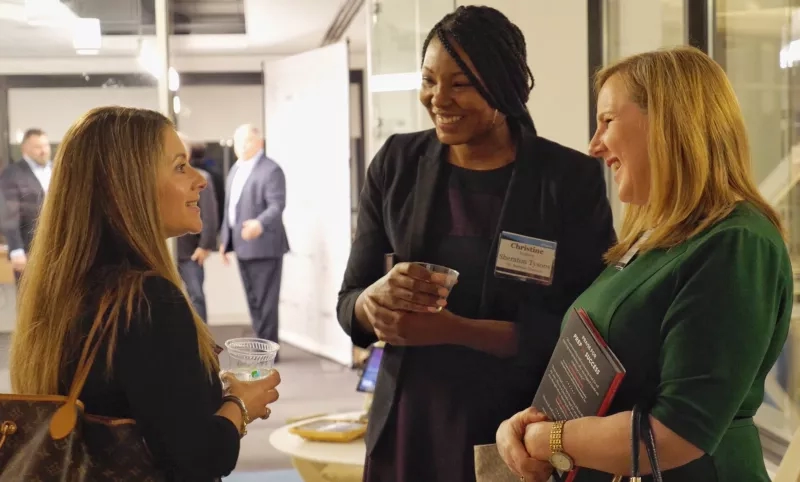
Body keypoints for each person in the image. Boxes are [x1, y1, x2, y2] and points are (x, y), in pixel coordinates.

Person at [336, 6, 616, 482]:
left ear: (504, 86)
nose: (438, 98)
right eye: (428, 80)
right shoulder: (397, 165)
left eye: (460, 84)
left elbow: (586, 335)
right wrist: (371, 306)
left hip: (515, 428)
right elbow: (350, 304)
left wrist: (456, 329)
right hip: (408, 423)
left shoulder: (567, 180)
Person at [496, 46, 792, 482]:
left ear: (670, 121)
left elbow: (676, 433)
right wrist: (521, 429)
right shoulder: (655, 240)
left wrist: (549, 440)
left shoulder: (736, 243)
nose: (594, 146)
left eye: (607, 121)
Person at [9, 106, 281, 481]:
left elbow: (138, 396)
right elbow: (200, 457)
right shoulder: (148, 299)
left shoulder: (65, 289)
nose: (200, 180)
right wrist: (240, 403)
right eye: (179, 166)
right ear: (129, 186)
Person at [219, 124, 289, 348]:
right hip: (241, 246)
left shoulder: (270, 170)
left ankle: (268, 350)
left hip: (264, 246)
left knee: (266, 301)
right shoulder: (236, 169)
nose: (241, 146)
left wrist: (260, 222)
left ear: (260, 142)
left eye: (247, 140)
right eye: (238, 141)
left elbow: (277, 205)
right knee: (253, 300)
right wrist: (225, 240)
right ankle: (261, 345)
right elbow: (230, 208)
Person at [176, 132, 219, 322]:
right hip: (166, 251)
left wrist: (205, 245)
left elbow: (209, 214)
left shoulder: (201, 178)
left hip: (191, 252)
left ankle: (203, 346)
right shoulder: (157, 178)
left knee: (196, 297)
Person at [0, 128, 53, 282]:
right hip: (29, 248)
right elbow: (9, 213)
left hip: (58, 247)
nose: (43, 151)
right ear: (25, 149)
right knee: (31, 300)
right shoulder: (13, 173)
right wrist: (16, 249)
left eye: (45, 146)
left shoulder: (56, 169)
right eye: (37, 147)